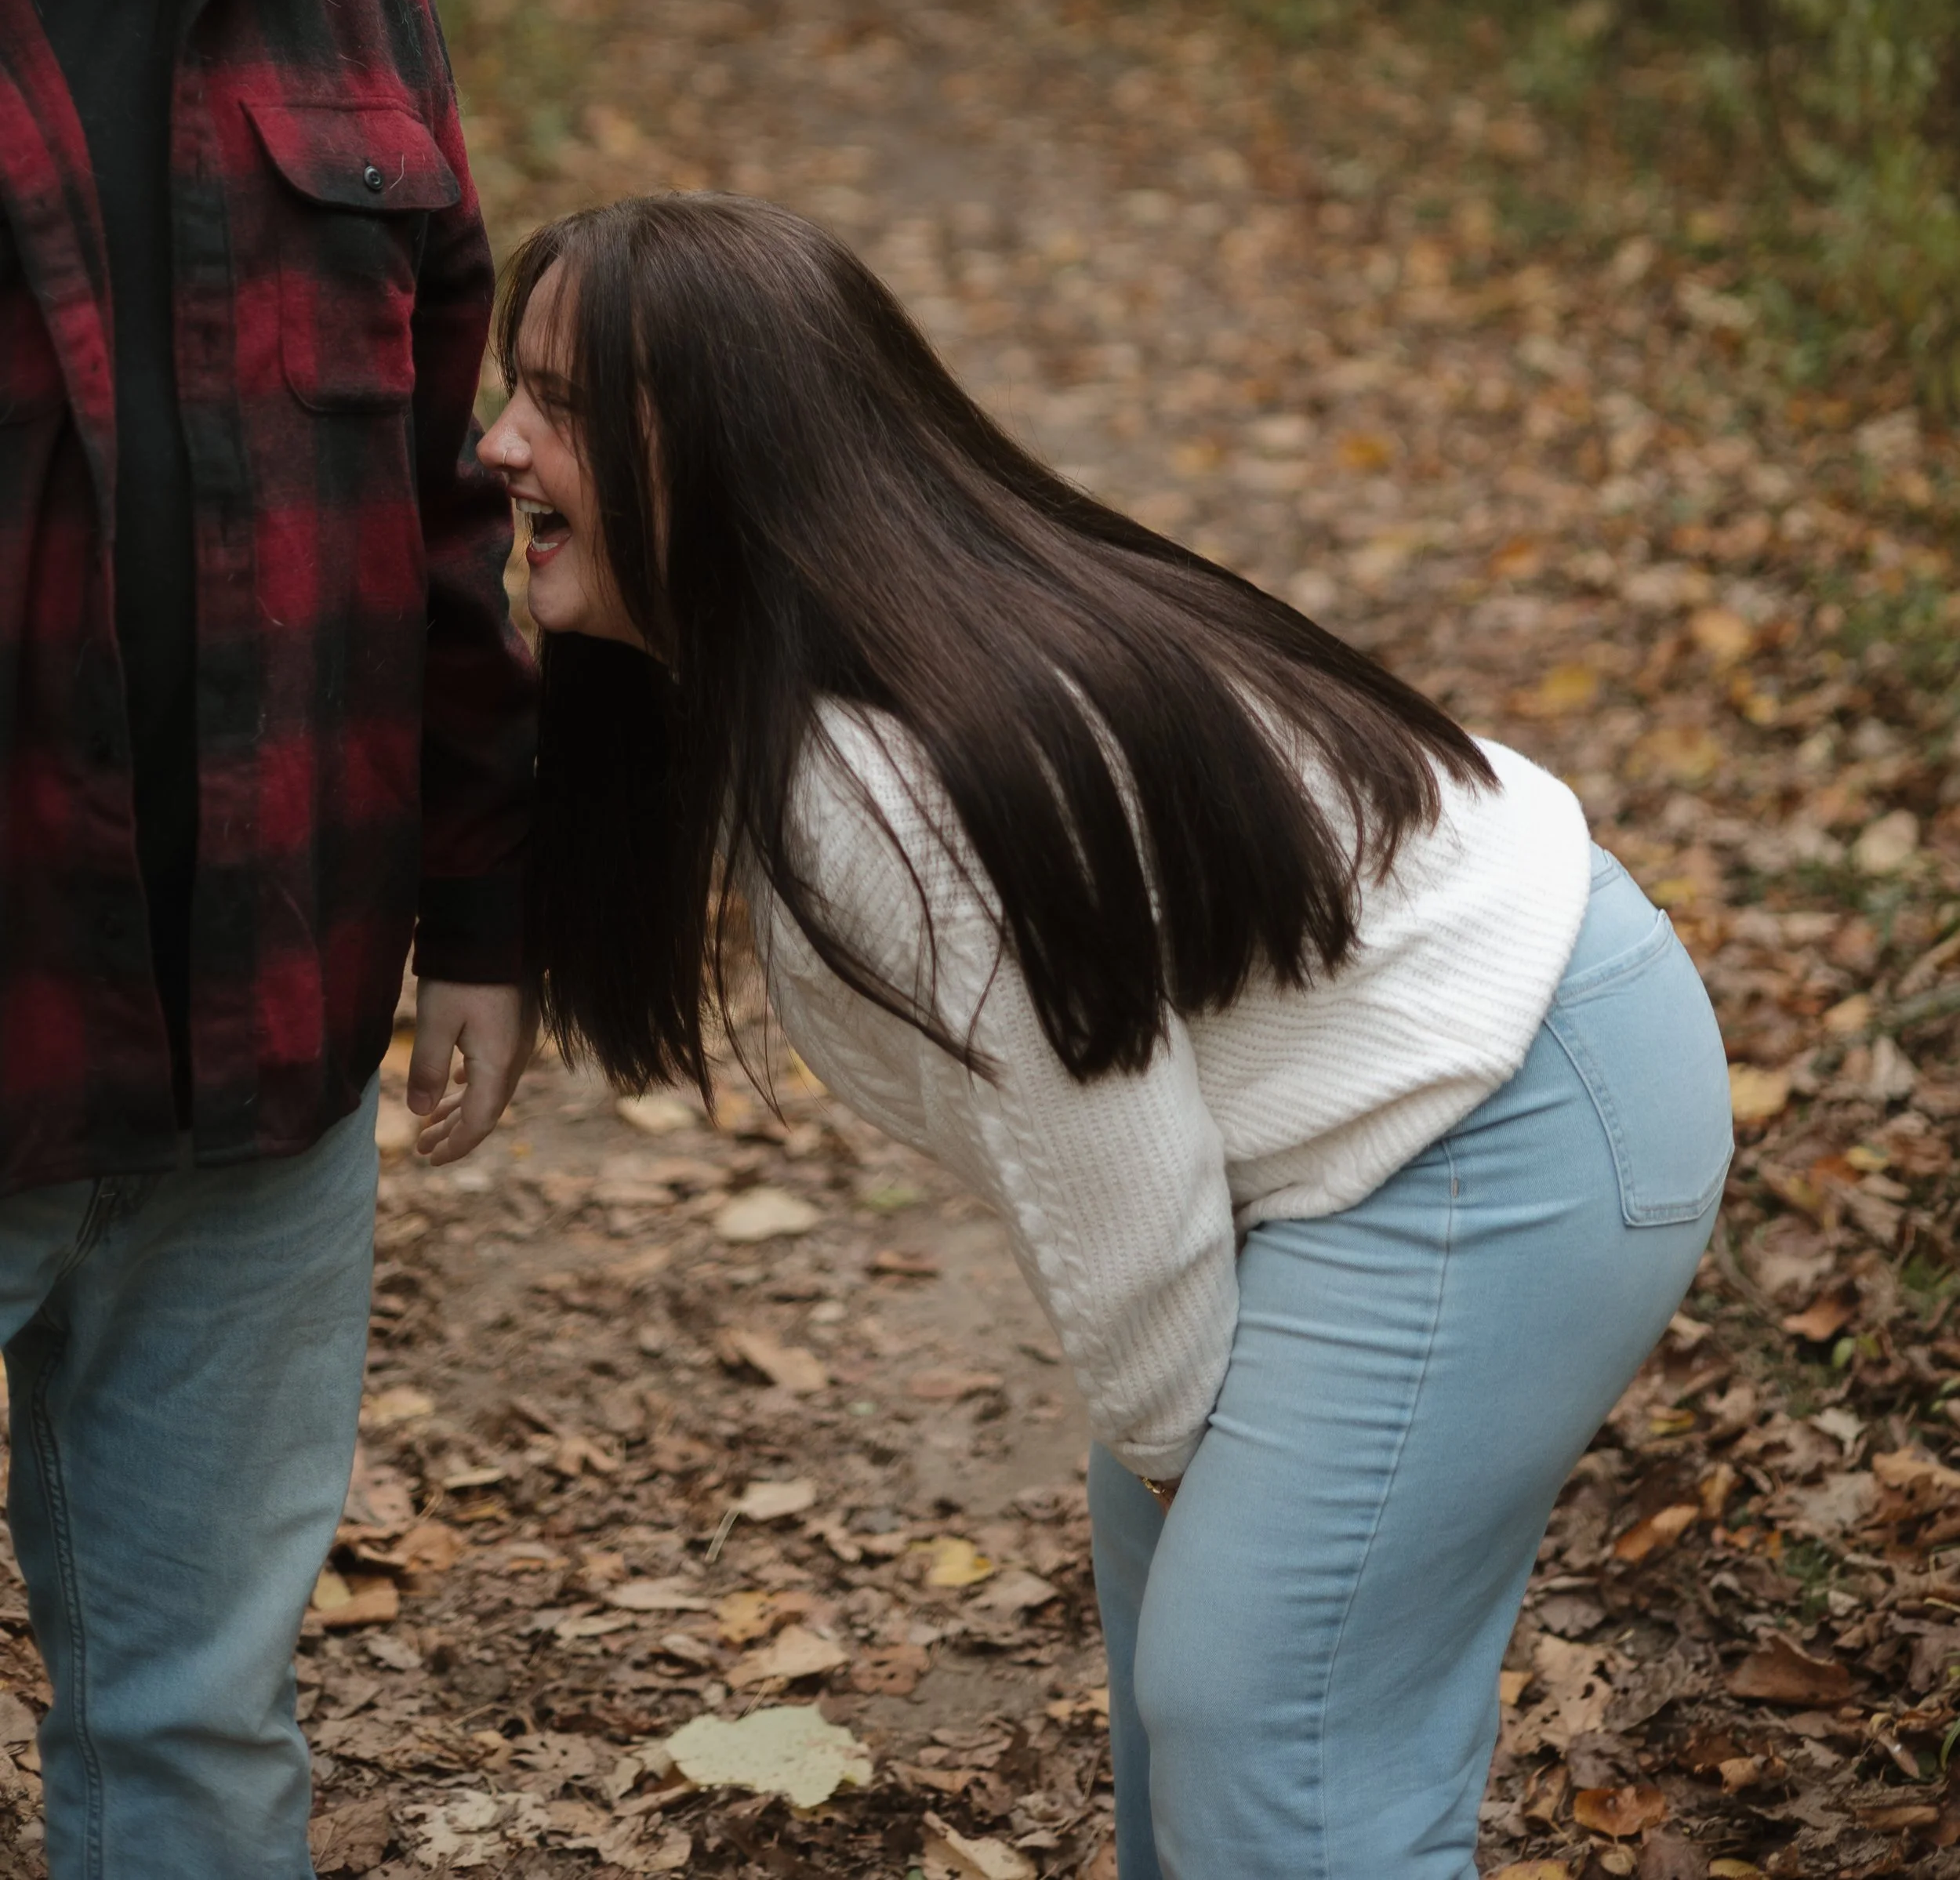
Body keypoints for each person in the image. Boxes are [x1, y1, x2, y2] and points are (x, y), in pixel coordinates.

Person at [480, 188, 1733, 1880]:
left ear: (708, 445)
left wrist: (1177, 1468)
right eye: (513, 387)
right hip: (1404, 1101)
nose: (496, 444)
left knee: (1253, 1713)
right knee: (1202, 1689)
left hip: (1508, 1111)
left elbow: (1107, 1169)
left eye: (553, 401)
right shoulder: (812, 684)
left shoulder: (879, 773)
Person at [0, 0, 536, 1878]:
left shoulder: (360, 4)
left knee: (199, 1743)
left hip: (265, 1083)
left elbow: (467, 511)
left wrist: (492, 908)